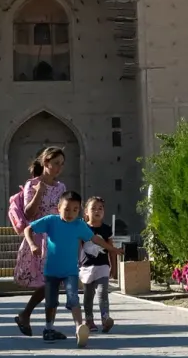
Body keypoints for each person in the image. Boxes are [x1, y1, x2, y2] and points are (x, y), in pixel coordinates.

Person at [10, 146, 67, 337]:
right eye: (56, 163)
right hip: (38, 239)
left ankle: (38, 322)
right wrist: (39, 192)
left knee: (53, 284)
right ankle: (30, 317)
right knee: (50, 283)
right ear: (46, 162)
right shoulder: (32, 184)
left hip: (55, 240)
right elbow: (29, 214)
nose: (59, 168)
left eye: (62, 164)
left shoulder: (61, 187)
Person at [22, 191, 93, 343]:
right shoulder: (51, 221)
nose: (70, 213)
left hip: (70, 271)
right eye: (66, 209)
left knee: (73, 297)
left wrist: (111, 249)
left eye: (75, 210)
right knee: (51, 301)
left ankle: (79, 328)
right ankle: (48, 329)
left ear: (79, 210)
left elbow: (93, 238)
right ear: (58, 207)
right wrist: (32, 244)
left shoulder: (79, 225)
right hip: (52, 270)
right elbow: (28, 229)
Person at [76, 196, 121, 344]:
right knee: (88, 295)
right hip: (86, 267)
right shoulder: (82, 228)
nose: (97, 211)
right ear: (86, 212)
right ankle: (89, 320)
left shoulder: (106, 229)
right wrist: (75, 265)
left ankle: (105, 318)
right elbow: (77, 248)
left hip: (102, 266)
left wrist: (114, 267)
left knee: (103, 292)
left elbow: (111, 250)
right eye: (93, 208)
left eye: (100, 208)